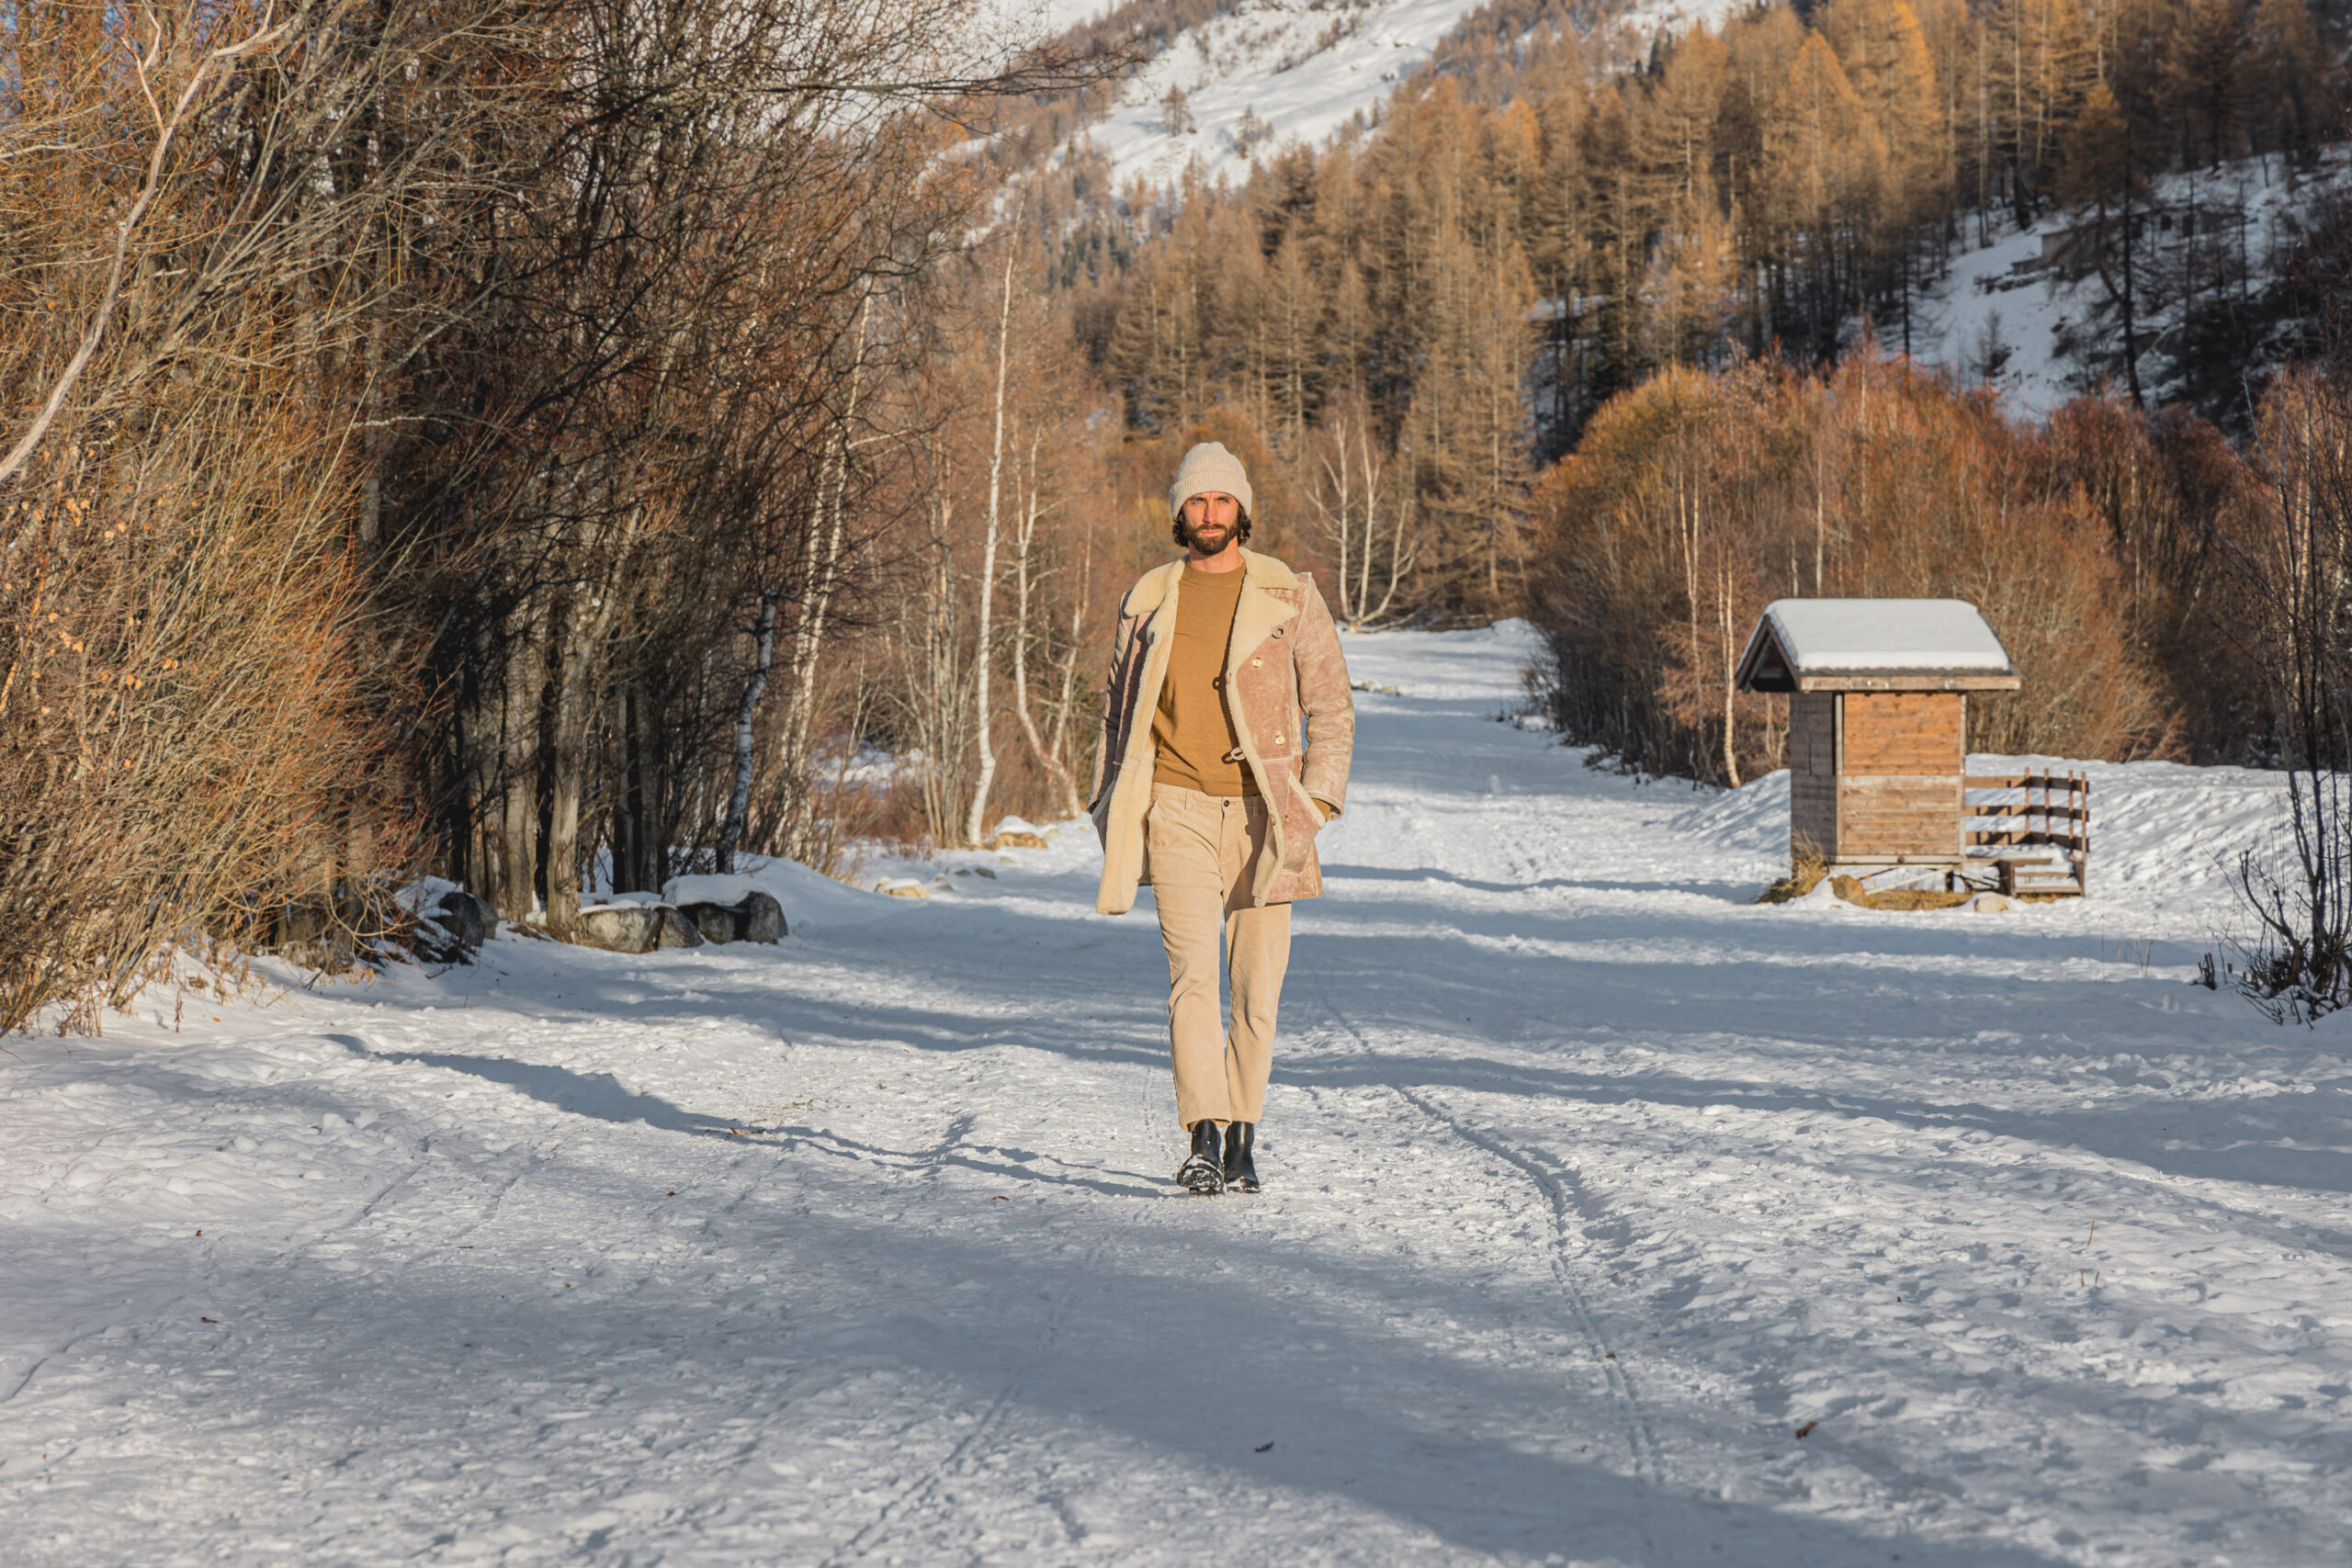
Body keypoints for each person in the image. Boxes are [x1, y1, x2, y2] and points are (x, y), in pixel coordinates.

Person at [1088, 442, 1355, 1195]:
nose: (1209, 515)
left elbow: (1332, 707)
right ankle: (1202, 1133)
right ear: (1180, 511)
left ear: (1242, 509)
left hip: (1267, 815)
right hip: (1173, 806)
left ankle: (1244, 1133)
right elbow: (1116, 710)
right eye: (1196, 502)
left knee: (1257, 986)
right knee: (1191, 980)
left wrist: (1318, 801)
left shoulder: (1289, 593)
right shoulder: (1147, 599)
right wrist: (1110, 799)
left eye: (1222, 501)